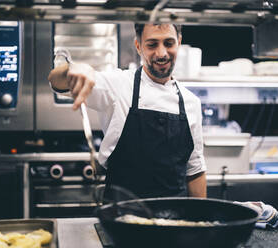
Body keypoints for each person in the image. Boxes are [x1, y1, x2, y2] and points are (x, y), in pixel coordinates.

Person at [48, 23, 207, 199]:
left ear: (179, 42)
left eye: (169, 43)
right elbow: (56, 82)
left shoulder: (191, 103)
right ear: (138, 46)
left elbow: (195, 171)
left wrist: (200, 220)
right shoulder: (118, 85)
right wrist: (73, 69)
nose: (162, 53)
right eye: (152, 44)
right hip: (121, 216)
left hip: (173, 219)